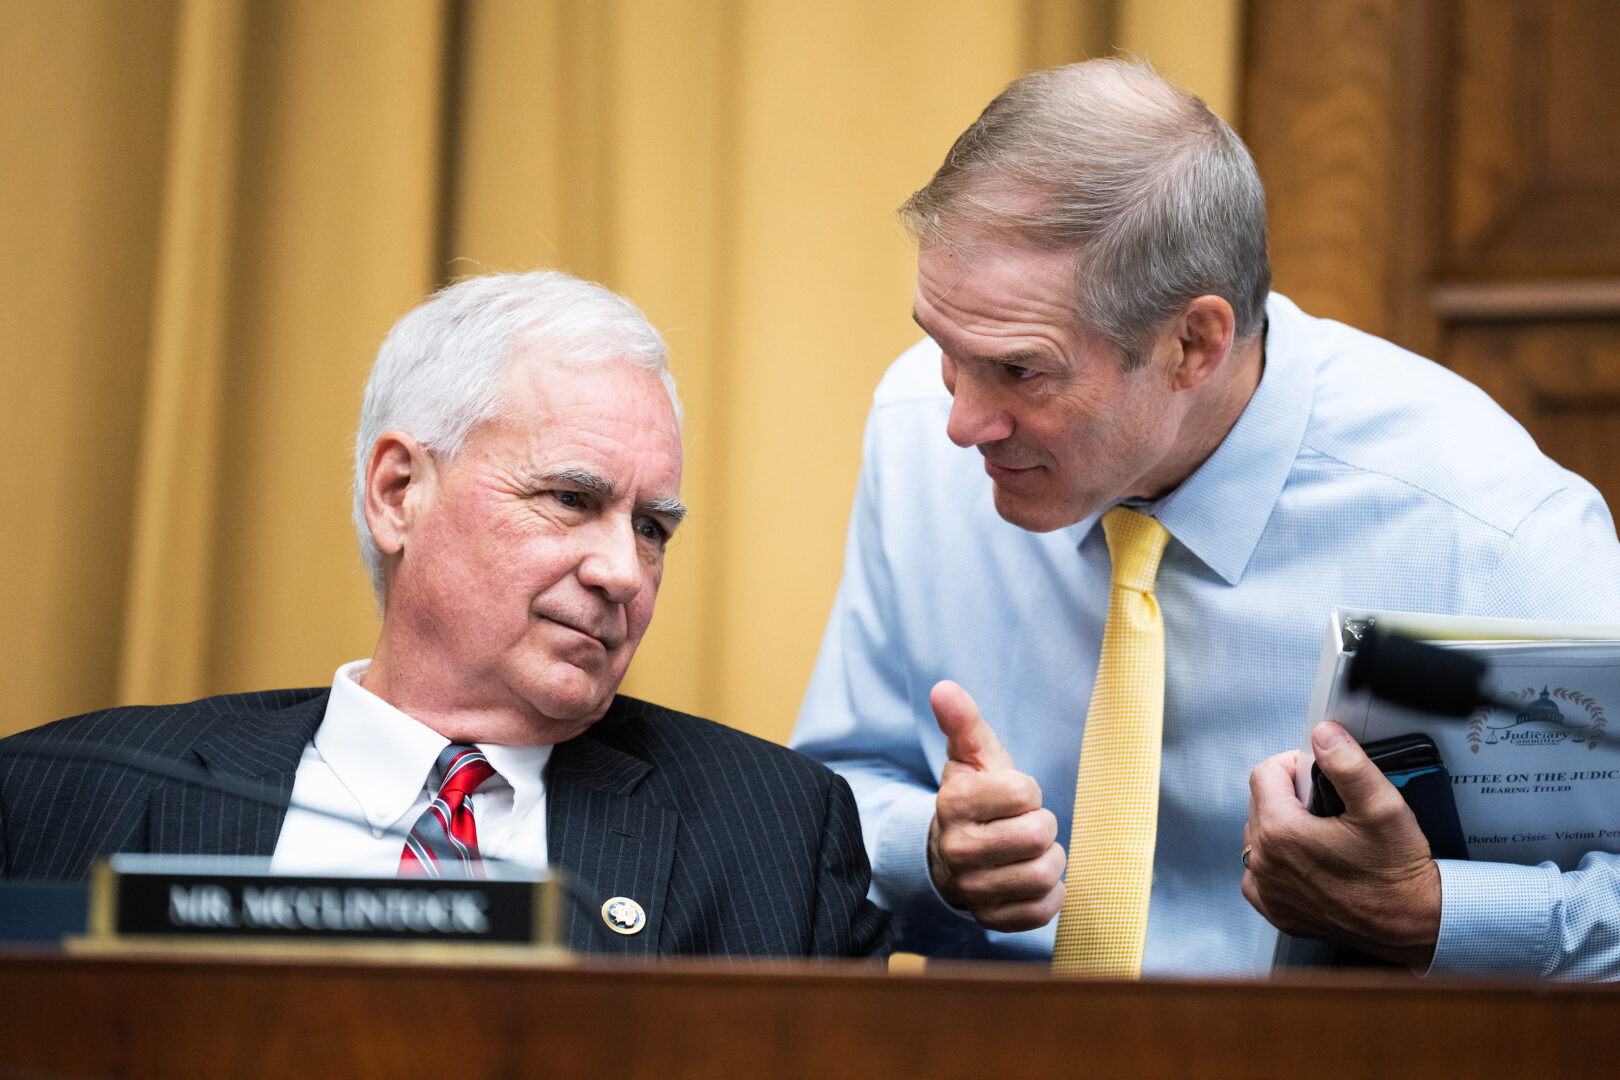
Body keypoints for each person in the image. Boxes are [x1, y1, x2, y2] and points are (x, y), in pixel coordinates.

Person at [790, 58, 1620, 979]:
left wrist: (1438, 915)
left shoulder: (1492, 528)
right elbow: (837, 796)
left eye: (1021, 370)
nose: (960, 422)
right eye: (945, 348)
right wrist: (932, 855)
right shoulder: (914, 432)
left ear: (1194, 343)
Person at [1, 270, 887, 960]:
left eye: (652, 527)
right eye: (571, 499)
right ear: (398, 492)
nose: (625, 571)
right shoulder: (56, 792)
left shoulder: (771, 837)